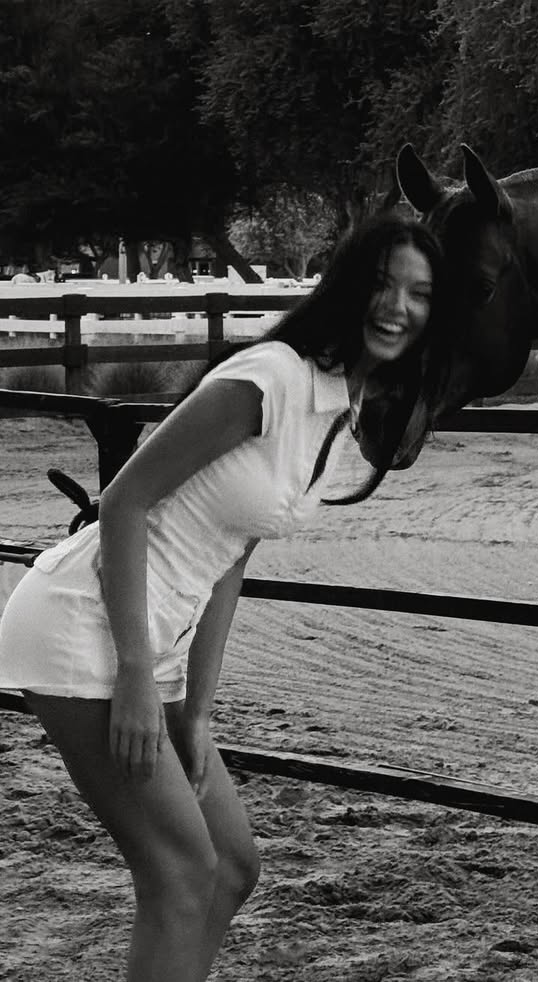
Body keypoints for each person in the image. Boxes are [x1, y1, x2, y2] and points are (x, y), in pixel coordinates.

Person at [0, 209, 447, 982]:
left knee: (233, 868)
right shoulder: (271, 376)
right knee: (179, 875)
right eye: (382, 284)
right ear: (346, 287)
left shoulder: (335, 405)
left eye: (418, 293)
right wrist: (138, 676)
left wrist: (196, 711)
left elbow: (231, 559)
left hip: (157, 641)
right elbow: (125, 501)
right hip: (84, 624)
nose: (397, 307)